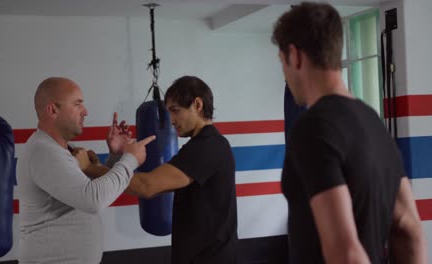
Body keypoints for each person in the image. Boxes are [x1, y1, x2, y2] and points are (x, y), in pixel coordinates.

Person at [272, 2, 427, 264]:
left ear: (295, 56)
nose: (285, 74)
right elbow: (409, 229)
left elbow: (345, 251)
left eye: (282, 63)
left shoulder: (312, 128)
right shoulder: (373, 123)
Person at [16, 77, 155, 264]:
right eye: (77, 104)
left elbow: (101, 190)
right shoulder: (44, 152)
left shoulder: (61, 149)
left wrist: (116, 156)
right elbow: (93, 199)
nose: (85, 112)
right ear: (52, 110)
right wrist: (130, 160)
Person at [128, 76, 238, 264]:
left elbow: (146, 186)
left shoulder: (206, 147)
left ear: (197, 104)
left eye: (175, 111)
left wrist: (91, 168)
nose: (171, 120)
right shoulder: (206, 145)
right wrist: (118, 159)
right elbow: (155, 187)